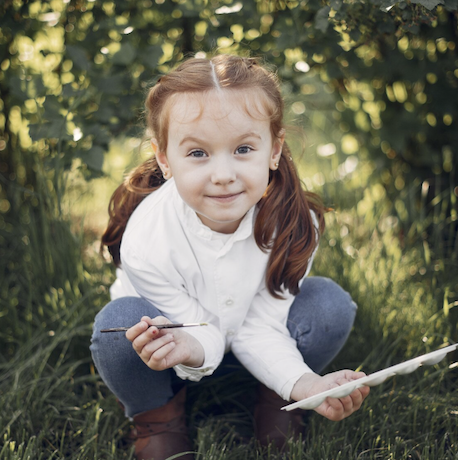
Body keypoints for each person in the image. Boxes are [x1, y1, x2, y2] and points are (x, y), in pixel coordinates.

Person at [90, 54, 370, 460]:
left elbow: (262, 325)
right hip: (171, 351)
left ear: (273, 151)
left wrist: (304, 383)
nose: (223, 174)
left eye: (242, 148)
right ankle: (158, 416)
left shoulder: (293, 224)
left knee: (329, 304)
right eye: (198, 154)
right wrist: (183, 344)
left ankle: (278, 396)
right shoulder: (148, 240)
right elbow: (196, 330)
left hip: (253, 342)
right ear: (165, 159)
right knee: (117, 326)